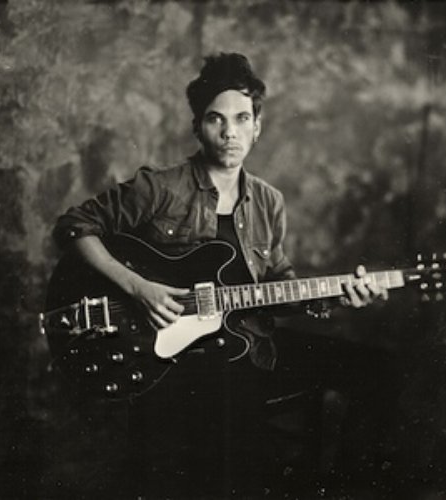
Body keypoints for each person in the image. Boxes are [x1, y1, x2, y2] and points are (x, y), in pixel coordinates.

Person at [52, 52, 388, 498]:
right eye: (216, 119)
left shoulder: (268, 201)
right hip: (185, 359)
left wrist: (337, 295)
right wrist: (138, 287)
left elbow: (277, 282)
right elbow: (73, 227)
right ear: (198, 127)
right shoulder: (161, 188)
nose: (230, 132)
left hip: (249, 342)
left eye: (242, 119)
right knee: (237, 458)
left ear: (257, 127)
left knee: (375, 368)